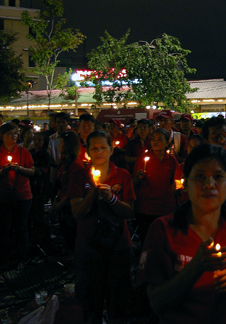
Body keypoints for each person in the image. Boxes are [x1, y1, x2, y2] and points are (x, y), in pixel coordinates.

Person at [137, 144, 226, 324]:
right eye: (200, 176)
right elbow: (156, 302)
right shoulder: (163, 229)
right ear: (186, 183)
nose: (209, 185)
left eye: (218, 177)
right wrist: (196, 267)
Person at [68, 130, 135, 324]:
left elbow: (130, 212)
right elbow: (77, 213)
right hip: (88, 248)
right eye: (94, 148)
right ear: (87, 151)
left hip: (119, 247)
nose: (99, 152)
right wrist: (93, 192)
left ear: (111, 149)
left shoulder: (122, 174)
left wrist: (112, 199)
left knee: (119, 303)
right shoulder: (79, 176)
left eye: (103, 148)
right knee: (90, 305)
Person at [0, 123, 35, 262]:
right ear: (2, 136)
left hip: (22, 195)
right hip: (4, 196)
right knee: (6, 228)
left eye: (15, 133)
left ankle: (21, 257)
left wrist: (19, 169)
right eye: (9, 133)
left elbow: (32, 171)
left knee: (21, 227)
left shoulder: (23, 151)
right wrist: (3, 172)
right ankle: (6, 257)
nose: (13, 136)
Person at [133, 128, 178, 245]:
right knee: (147, 242)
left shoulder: (171, 160)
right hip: (146, 208)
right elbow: (133, 184)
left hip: (166, 207)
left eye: (159, 139)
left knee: (165, 242)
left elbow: (176, 182)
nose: (155, 142)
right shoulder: (143, 159)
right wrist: (138, 177)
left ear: (167, 142)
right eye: (153, 139)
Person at [53, 131, 84, 251]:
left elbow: (73, 190)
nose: (59, 146)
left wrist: (59, 205)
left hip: (69, 206)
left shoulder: (75, 165)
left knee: (72, 236)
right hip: (62, 203)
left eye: (61, 143)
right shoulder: (64, 161)